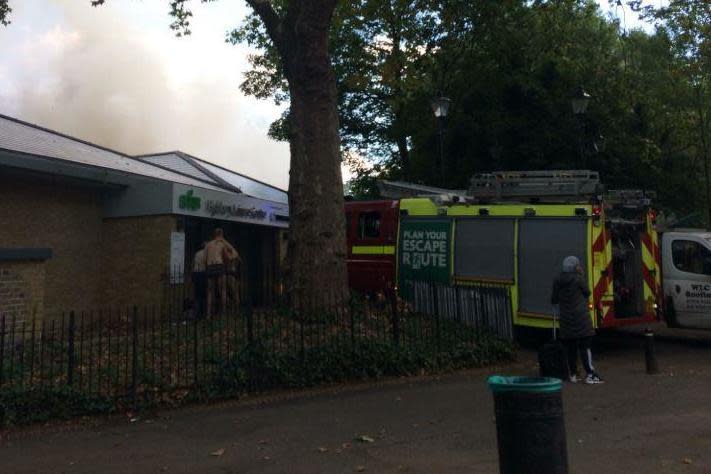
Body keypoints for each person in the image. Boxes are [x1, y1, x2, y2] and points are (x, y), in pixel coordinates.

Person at [551, 256, 604, 384]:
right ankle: (590, 374)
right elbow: (587, 293)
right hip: (581, 318)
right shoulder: (578, 279)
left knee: (571, 348)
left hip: (566, 319)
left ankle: (573, 374)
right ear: (575, 267)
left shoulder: (557, 280)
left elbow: (554, 299)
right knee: (585, 346)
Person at [205, 228, 240, 316]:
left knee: (210, 292)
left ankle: (208, 314)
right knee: (223, 290)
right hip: (219, 266)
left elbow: (205, 258)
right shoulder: (222, 244)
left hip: (210, 267)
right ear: (222, 235)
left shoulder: (208, 245)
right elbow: (227, 257)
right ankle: (224, 313)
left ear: (214, 234)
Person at [192, 242, 208, 319]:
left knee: (197, 294)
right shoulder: (205, 253)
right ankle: (203, 313)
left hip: (195, 273)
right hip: (202, 273)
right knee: (204, 294)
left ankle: (196, 313)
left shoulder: (197, 253)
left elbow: (193, 264)